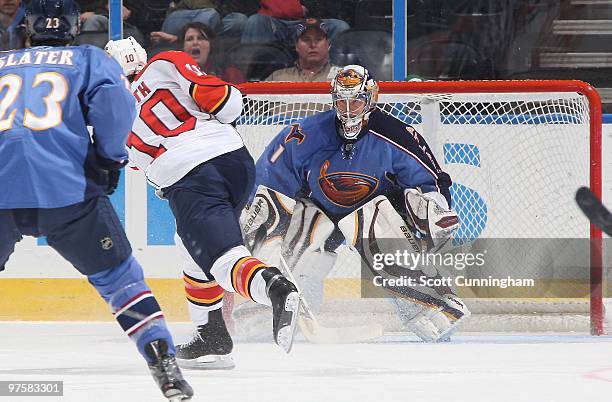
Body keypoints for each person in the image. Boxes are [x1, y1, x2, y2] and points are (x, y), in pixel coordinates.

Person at [180, 65, 471, 362]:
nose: (348, 109)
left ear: (371, 99)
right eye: (341, 101)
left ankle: (432, 305)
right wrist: (251, 211)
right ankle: (277, 306)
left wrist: (432, 206)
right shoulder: (305, 135)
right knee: (286, 221)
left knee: (375, 224)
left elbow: (432, 180)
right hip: (318, 210)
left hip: (373, 210)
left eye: (355, 101)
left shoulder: (398, 135)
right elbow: (269, 180)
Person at [0, 1, 193, 400]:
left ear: (28, 28)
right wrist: (108, 159)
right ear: (73, 27)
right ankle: (165, 366)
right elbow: (115, 104)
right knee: (121, 282)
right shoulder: (87, 58)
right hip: (65, 191)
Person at [104, 36, 301, 369]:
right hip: (234, 161)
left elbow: (133, 161)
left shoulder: (111, 113)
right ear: (139, 56)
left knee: (221, 258)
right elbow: (226, 102)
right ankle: (210, 334)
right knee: (188, 243)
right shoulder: (165, 62)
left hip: (192, 178)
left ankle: (274, 287)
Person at [148, 21, 246, 83]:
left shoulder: (230, 73)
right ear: (183, 48)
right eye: (189, 39)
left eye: (201, 38)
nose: (195, 42)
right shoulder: (172, 74)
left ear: (210, 45)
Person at [241, 0, 349, 46]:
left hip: (308, 20)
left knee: (339, 27)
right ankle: (247, 80)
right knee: (255, 21)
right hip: (271, 21)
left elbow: (330, 7)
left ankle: (334, 77)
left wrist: (309, 8)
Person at [265, 18, 340, 82]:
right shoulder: (277, 78)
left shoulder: (344, 78)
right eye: (306, 39)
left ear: (328, 44)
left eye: (318, 39)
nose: (313, 45)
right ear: (296, 46)